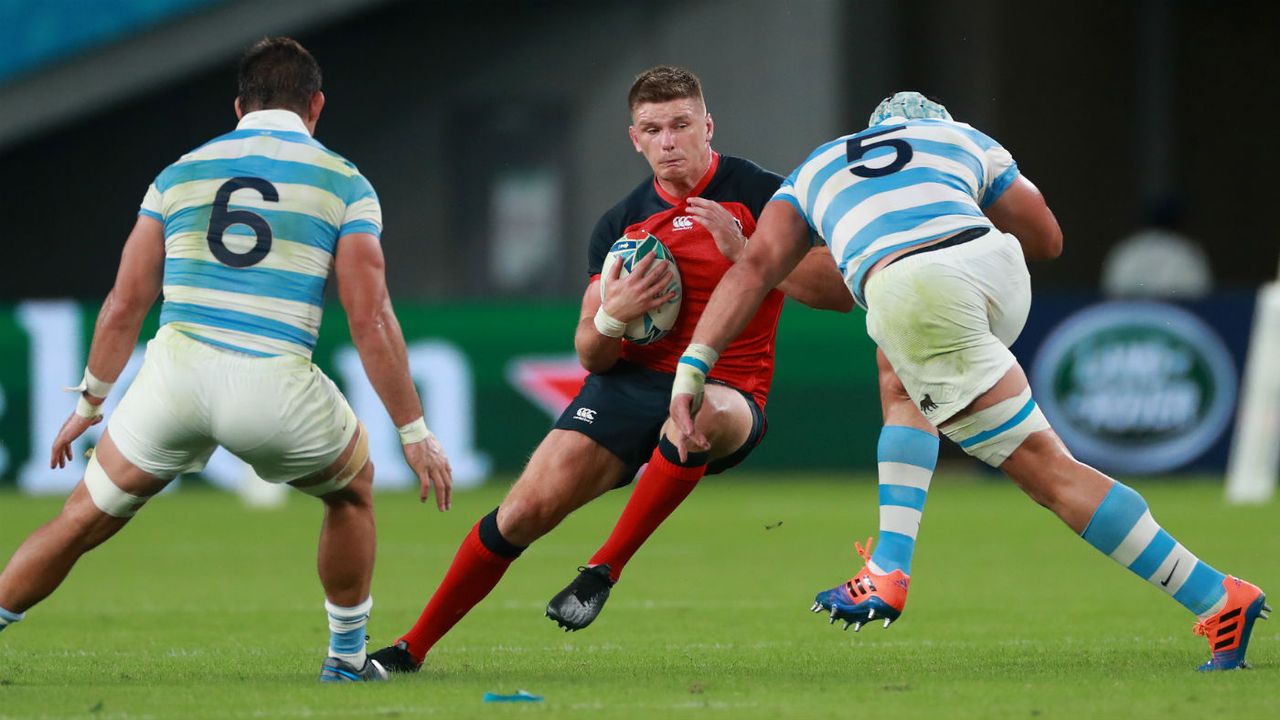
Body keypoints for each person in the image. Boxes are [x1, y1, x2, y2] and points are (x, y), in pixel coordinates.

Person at [667, 91, 1269, 670]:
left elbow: (763, 274)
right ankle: (890, 564)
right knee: (898, 369)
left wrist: (693, 366)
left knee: (1046, 472)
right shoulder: (957, 137)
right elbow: (1047, 240)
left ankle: (1217, 597)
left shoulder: (814, 171)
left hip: (913, 288)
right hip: (993, 266)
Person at [368, 66, 852, 672]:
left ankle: (602, 568)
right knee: (521, 513)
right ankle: (409, 649)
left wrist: (748, 254)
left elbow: (838, 291)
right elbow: (590, 355)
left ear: (708, 127)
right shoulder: (619, 225)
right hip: (629, 385)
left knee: (694, 410)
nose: (669, 141)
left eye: (681, 125)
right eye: (654, 129)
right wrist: (612, 318)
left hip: (726, 387)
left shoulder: (767, 197)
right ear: (635, 139)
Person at [0, 37, 454, 683]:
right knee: (350, 493)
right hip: (272, 387)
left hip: (173, 382)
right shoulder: (343, 182)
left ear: (239, 105)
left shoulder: (178, 173)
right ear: (315, 105)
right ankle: (348, 660)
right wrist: (415, 432)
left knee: (79, 519)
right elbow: (370, 317)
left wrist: (89, 404)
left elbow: (126, 302)